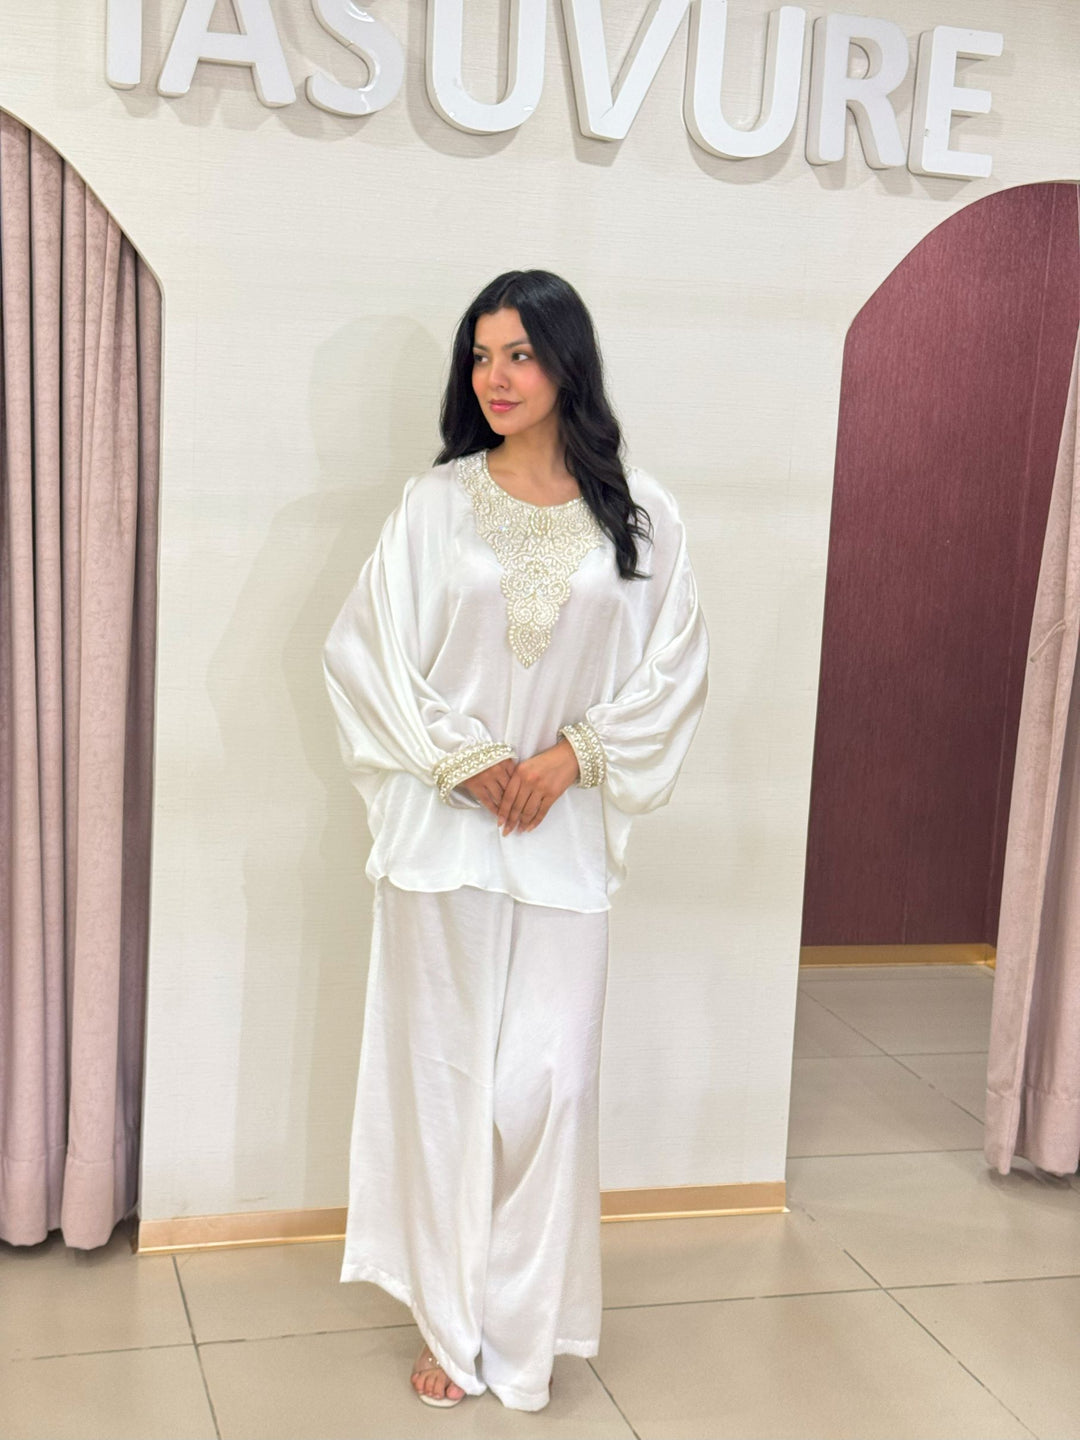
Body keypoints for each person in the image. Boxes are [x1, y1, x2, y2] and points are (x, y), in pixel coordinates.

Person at [322, 269, 709, 1412]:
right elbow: (365, 654)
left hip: (562, 842)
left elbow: (675, 667)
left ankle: (521, 1333)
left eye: (521, 354)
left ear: (566, 363)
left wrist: (572, 756)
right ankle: (451, 1329)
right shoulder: (432, 505)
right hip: (442, 838)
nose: (496, 376)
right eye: (482, 355)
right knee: (445, 1087)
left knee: (551, 1087)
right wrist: (463, 759)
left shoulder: (642, 515)